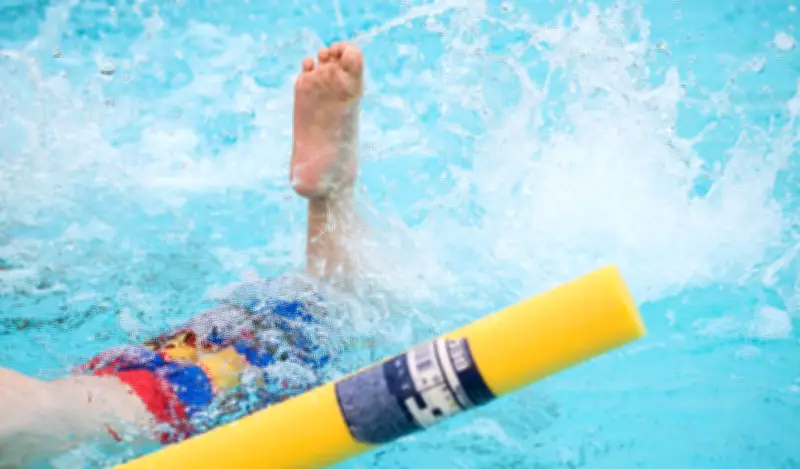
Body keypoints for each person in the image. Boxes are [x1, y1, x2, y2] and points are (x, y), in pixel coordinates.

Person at [0, 42, 365, 468]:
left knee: (322, 329)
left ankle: (331, 203)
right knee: (324, 319)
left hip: (105, 404)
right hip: (95, 393)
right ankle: (331, 204)